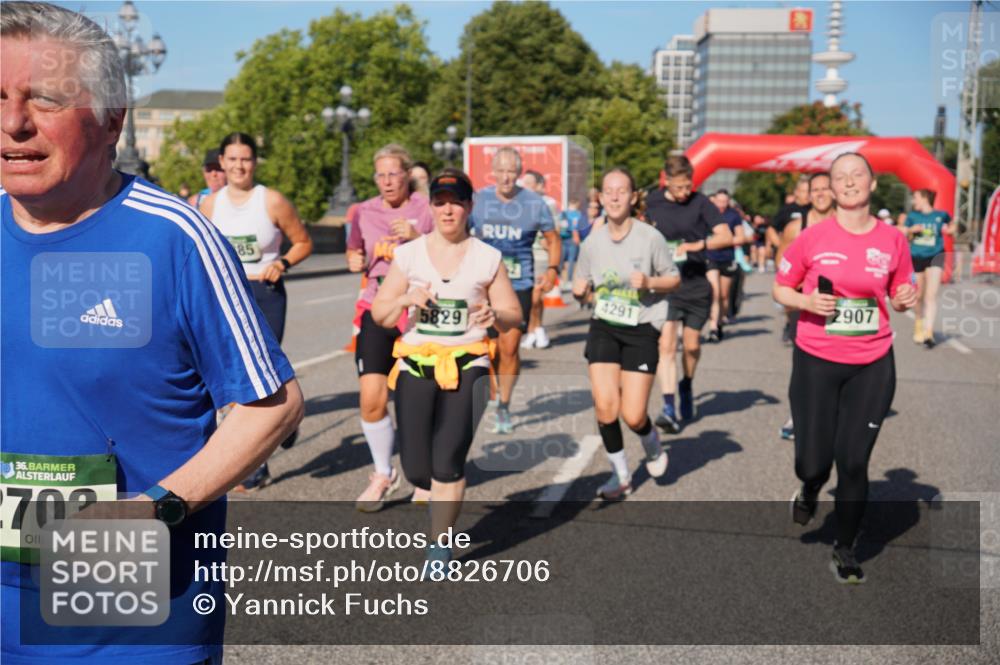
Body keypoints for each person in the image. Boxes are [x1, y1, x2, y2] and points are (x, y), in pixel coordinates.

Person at [1, 3, 303, 661]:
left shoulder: (174, 237)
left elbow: (272, 406)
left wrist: (155, 510)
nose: (12, 122)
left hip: (136, 622)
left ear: (113, 118)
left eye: (44, 99)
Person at [774, 152, 917, 584]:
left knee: (854, 462)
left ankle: (846, 548)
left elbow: (899, 290)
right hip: (816, 359)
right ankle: (811, 487)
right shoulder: (812, 238)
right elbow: (781, 287)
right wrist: (805, 302)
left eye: (858, 175)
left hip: (872, 362)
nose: (850, 182)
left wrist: (905, 298)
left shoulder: (893, 240)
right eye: (841, 177)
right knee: (813, 462)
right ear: (830, 190)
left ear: (872, 184)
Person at [371, 169, 521, 569]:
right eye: (440, 201)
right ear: (432, 206)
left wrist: (496, 313)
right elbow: (381, 314)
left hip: (468, 364)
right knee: (418, 470)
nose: (448, 209)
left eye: (456, 202)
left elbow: (513, 315)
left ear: (469, 206)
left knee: (448, 461)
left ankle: (440, 545)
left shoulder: (488, 257)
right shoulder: (410, 254)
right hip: (417, 366)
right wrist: (405, 298)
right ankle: (433, 497)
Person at [200, 131, 313, 490]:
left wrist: (281, 263)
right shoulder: (208, 205)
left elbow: (304, 242)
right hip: (225, 294)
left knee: (260, 382)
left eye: (245, 159)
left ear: (254, 162)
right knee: (231, 382)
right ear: (221, 163)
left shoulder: (272, 201)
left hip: (264, 291)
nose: (238, 166)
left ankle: (270, 440)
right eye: (231, 159)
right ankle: (254, 455)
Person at [573, 168, 680, 499]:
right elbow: (581, 283)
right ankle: (620, 476)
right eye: (609, 191)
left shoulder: (650, 238)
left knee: (633, 415)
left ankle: (651, 444)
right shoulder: (592, 242)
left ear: (633, 197)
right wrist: (579, 290)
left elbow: (673, 278)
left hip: (642, 327)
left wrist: (649, 282)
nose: (615, 196)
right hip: (604, 325)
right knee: (605, 407)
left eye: (622, 191)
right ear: (601, 198)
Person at [345, 144, 434, 510]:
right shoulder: (363, 212)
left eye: (393, 174)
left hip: (418, 307)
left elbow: (450, 252)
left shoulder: (426, 210)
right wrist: (356, 259)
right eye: (380, 174)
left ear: (408, 175)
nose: (386, 181)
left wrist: (417, 239)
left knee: (419, 399)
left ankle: (426, 476)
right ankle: (383, 472)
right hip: (377, 305)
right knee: (371, 398)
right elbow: (354, 255)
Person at [470, 147, 559, 434]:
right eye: (502, 170)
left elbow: (553, 238)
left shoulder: (534, 203)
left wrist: (553, 269)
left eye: (512, 171)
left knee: (509, 347)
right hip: (483, 284)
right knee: (489, 348)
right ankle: (493, 392)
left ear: (519, 174)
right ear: (493, 172)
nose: (506, 177)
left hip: (519, 283)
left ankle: (504, 405)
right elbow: (457, 231)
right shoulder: (478, 200)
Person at [645, 155, 733, 432]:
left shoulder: (701, 203)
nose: (684, 192)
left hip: (696, 285)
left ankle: (686, 384)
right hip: (666, 285)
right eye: (679, 187)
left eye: (688, 186)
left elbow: (725, 235)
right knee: (666, 346)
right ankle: (668, 406)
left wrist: (697, 246)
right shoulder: (652, 201)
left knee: (692, 346)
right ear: (666, 180)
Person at [777, 171, 835, 441]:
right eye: (816, 190)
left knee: (835, 361)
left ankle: (832, 412)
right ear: (808, 195)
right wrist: (794, 304)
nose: (821, 194)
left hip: (839, 305)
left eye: (826, 188)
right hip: (804, 305)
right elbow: (782, 271)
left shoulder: (846, 224)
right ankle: (797, 415)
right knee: (804, 364)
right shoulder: (795, 227)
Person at [904, 189, 955, 348]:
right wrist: (911, 230)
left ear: (925, 198)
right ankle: (919, 322)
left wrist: (951, 230)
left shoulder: (941, 215)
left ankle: (929, 332)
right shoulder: (912, 217)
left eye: (916, 198)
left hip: (935, 256)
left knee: (931, 296)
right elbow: (902, 232)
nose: (914, 202)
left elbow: (953, 225)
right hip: (917, 256)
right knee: (918, 295)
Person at [520, 169, 561, 350]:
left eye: (529, 183)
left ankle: (535, 329)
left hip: (541, 255)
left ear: (539, 185)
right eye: (524, 182)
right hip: (524, 255)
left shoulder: (548, 204)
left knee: (536, 296)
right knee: (529, 297)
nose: (524, 186)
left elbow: (556, 232)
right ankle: (534, 329)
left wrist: (549, 242)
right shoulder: (518, 204)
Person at [705, 189, 745, 342]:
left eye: (725, 201)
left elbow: (740, 238)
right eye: (719, 201)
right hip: (711, 258)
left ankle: (720, 320)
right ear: (714, 200)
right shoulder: (707, 214)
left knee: (723, 295)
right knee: (714, 292)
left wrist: (722, 241)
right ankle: (713, 326)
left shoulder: (733, 216)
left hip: (727, 258)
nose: (722, 204)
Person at [559, 198, 584, 283]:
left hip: (566, 238)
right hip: (572, 238)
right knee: (571, 260)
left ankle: (561, 279)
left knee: (563, 260)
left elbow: (561, 225)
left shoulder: (564, 213)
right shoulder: (579, 214)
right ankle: (569, 280)